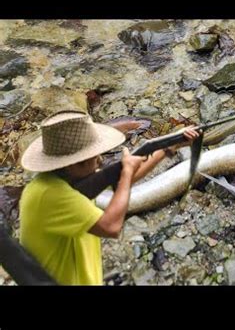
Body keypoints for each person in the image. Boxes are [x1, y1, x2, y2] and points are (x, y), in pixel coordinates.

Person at [19, 110, 200, 285]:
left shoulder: (66, 179)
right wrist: (127, 171)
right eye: (91, 156)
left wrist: (170, 146)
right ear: (73, 164)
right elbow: (111, 226)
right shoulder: (51, 195)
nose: (98, 160)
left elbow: (124, 178)